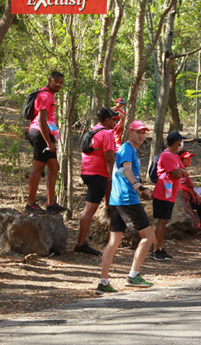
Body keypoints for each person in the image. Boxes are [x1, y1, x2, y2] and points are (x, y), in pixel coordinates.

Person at [96, 121, 156, 294]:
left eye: (144, 133)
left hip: (117, 200)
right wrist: (138, 186)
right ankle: (133, 275)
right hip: (127, 200)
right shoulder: (127, 149)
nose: (142, 136)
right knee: (148, 236)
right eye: (138, 132)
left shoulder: (128, 150)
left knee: (114, 241)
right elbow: (127, 170)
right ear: (130, 132)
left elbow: (123, 172)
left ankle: (103, 282)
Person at [76, 107, 119, 255]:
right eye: (113, 119)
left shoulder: (92, 131)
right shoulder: (107, 134)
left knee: (104, 189)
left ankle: (109, 207)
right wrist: (113, 175)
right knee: (89, 210)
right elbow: (109, 158)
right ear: (107, 120)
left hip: (87, 172)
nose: (115, 122)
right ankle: (81, 244)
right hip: (97, 174)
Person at [26, 71, 66, 214]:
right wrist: (49, 142)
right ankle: (30, 203)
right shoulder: (44, 95)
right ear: (49, 80)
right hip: (40, 133)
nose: (59, 85)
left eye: (61, 82)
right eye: (56, 81)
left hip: (46, 134)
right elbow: (42, 120)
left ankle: (51, 204)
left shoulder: (50, 95)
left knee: (54, 166)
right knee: (38, 167)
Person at [149, 131, 188, 261]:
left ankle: (160, 247)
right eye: (180, 141)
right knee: (161, 221)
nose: (181, 143)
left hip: (170, 193)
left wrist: (180, 171)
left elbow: (184, 172)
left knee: (165, 221)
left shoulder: (175, 156)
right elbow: (177, 174)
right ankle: (155, 249)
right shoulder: (166, 156)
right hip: (162, 192)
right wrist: (179, 172)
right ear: (176, 142)